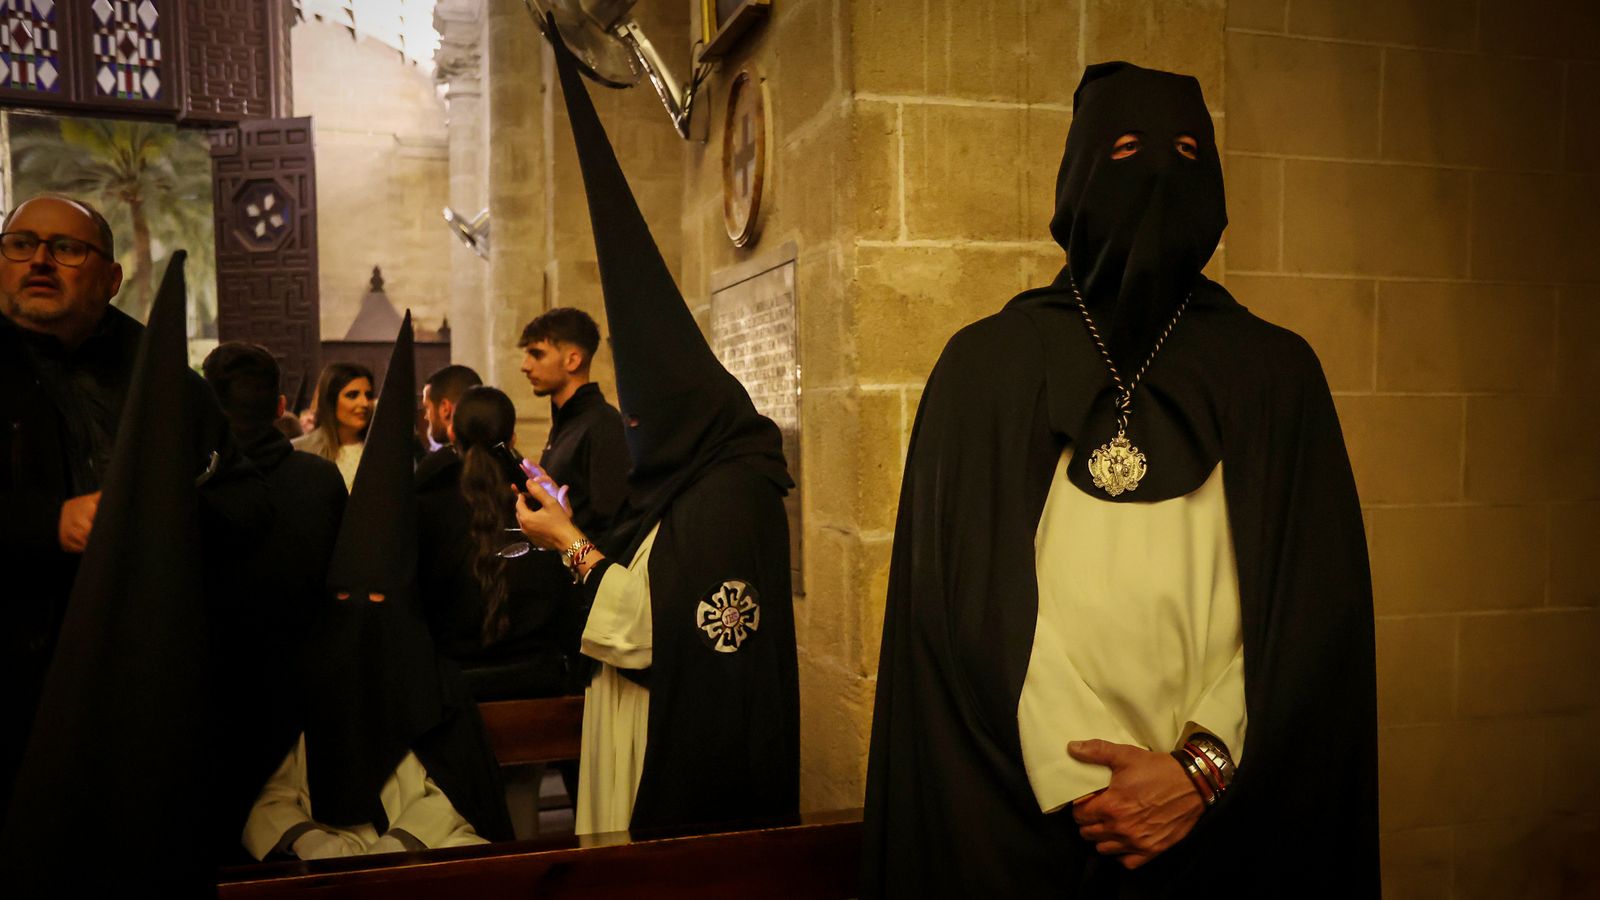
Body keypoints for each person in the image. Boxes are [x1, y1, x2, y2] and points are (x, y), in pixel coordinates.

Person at [862, 63, 1378, 896]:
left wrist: (1201, 768)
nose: (1158, 178)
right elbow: (958, 607)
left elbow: (1314, 613)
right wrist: (1089, 777)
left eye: (1185, 150)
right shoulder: (985, 368)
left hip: (1231, 823)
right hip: (1028, 819)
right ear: (1077, 174)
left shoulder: (1277, 375)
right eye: (1129, 149)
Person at [512, 23, 799, 838]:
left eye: (645, 418)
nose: (636, 432)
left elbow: (642, 632)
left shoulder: (731, 493)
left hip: (672, 745)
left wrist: (565, 539)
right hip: (627, 720)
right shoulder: (676, 480)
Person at [0, 196, 264, 822]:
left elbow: (248, 501)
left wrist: (162, 519)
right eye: (20, 244)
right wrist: (49, 524)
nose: (39, 260)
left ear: (111, 278)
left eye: (66, 249)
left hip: (138, 683)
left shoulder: (159, 373)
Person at [243, 314, 512, 860]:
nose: (362, 612)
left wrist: (389, 856)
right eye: (347, 600)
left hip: (413, 860)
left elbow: (455, 796)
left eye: (379, 601)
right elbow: (268, 800)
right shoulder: (312, 681)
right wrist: (319, 847)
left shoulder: (429, 683)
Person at [202, 341, 349, 857]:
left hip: (210, 702)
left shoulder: (194, 486)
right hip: (306, 699)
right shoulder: (319, 479)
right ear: (281, 408)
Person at [417, 385, 583, 699]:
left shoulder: (424, 507)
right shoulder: (543, 505)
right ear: (512, 440)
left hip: (455, 699)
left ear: (453, 435)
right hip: (542, 690)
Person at [518, 307, 629, 538]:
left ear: (572, 360)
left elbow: (614, 527)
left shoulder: (604, 425)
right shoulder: (567, 423)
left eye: (537, 354)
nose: (525, 366)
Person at [294, 360, 374, 490]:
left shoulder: (384, 449)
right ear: (330, 400)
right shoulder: (301, 450)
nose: (364, 403)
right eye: (352, 395)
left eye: (368, 395)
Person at [416, 363, 482, 483]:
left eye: (427, 407)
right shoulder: (505, 461)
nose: (426, 416)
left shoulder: (437, 471)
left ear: (445, 408)